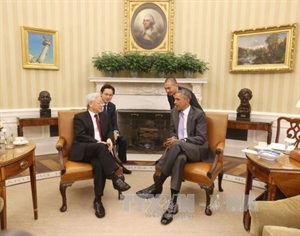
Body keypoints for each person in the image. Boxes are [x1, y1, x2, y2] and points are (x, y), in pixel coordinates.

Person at [136, 88, 214, 225]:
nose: (174, 102)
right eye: (174, 99)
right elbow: (173, 132)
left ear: (187, 100)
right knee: (179, 159)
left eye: (177, 99)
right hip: (180, 151)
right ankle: (172, 206)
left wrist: (179, 141)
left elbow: (201, 139)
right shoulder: (173, 112)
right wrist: (172, 138)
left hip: (198, 150)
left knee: (177, 145)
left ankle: (157, 185)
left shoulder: (199, 114)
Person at [69, 93, 131, 219]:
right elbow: (80, 135)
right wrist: (98, 142)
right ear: (90, 104)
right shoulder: (80, 117)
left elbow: (109, 131)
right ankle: (115, 178)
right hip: (84, 149)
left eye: (102, 103)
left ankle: (97, 200)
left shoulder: (105, 116)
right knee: (101, 147)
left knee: (99, 165)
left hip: (99, 152)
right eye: (99, 102)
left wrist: (109, 139)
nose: (102, 105)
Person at [100, 84, 132, 174]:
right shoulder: (96, 105)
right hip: (100, 135)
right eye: (106, 94)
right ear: (101, 94)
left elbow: (114, 123)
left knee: (123, 140)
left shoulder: (112, 106)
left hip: (110, 133)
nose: (108, 97)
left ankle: (121, 165)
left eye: (110, 95)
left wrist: (116, 131)